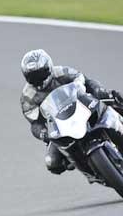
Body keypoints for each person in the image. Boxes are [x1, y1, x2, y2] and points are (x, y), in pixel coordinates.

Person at [19, 49, 123, 178]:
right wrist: (43, 133)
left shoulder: (61, 72)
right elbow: (35, 122)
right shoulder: (27, 97)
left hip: (80, 105)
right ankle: (90, 168)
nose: (38, 79)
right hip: (59, 126)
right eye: (33, 77)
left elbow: (82, 78)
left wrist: (96, 89)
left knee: (112, 98)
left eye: (40, 74)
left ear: (49, 68)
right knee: (52, 162)